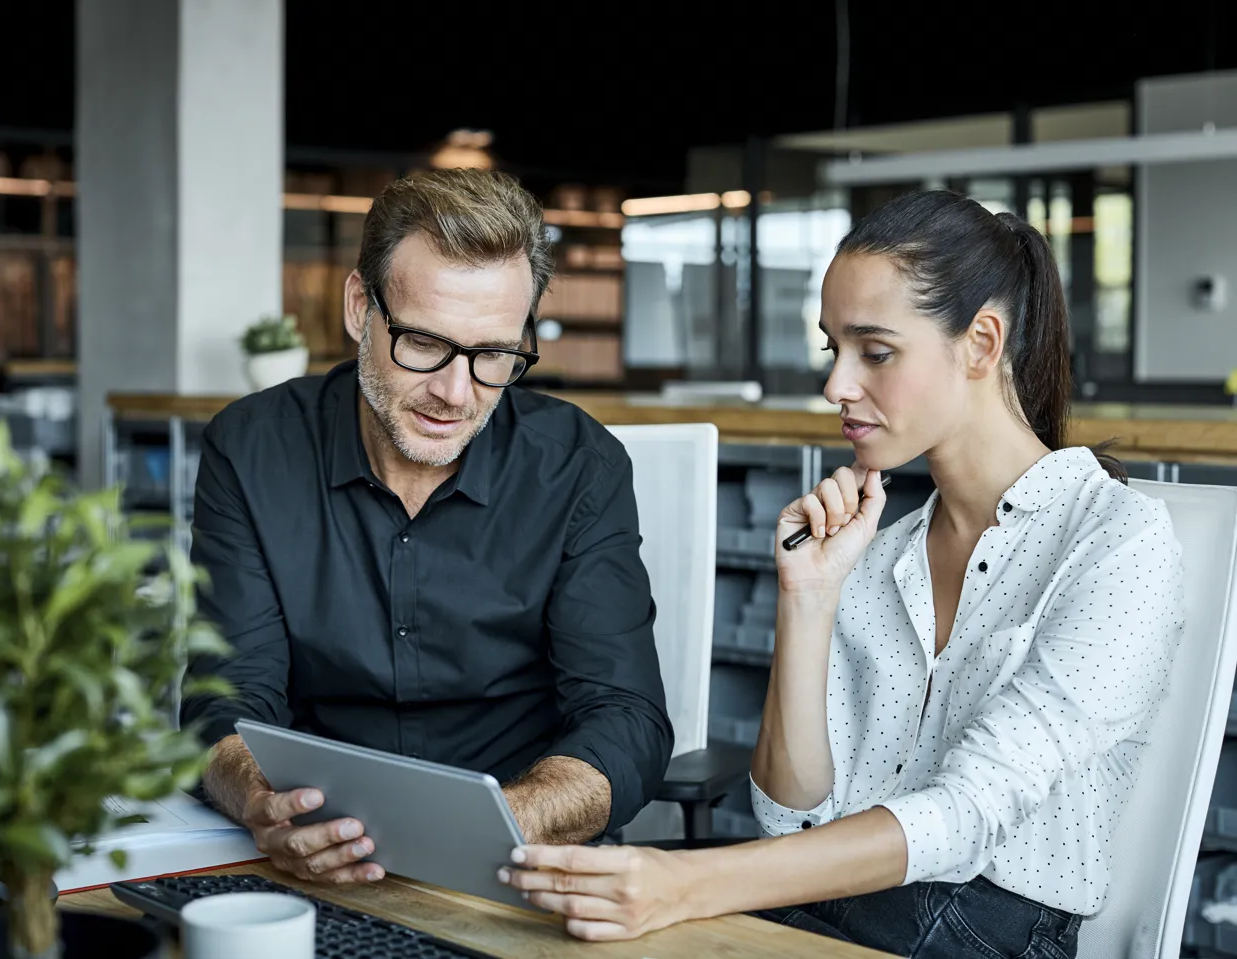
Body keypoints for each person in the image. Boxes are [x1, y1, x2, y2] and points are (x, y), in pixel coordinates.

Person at [497, 190, 1185, 958]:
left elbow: (965, 818)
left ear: (982, 343)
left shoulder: (1117, 541)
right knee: (553, 920)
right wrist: (809, 597)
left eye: (876, 352)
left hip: (991, 931)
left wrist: (686, 883)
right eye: (834, 349)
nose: (836, 387)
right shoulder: (881, 553)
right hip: (849, 906)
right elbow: (789, 818)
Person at [180, 168, 672, 887]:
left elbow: (625, 718)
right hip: (313, 855)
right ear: (359, 307)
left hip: (518, 860)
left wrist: (504, 821)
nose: (455, 391)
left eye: (494, 355)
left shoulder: (580, 467)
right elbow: (225, 698)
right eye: (422, 343)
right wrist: (262, 801)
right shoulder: (251, 449)